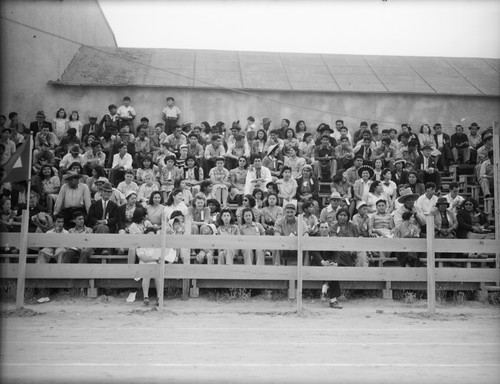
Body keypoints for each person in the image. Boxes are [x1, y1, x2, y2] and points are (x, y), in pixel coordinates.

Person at [308, 221, 342, 309]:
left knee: (332, 269)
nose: (324, 230)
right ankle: (329, 294)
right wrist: (322, 262)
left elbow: (336, 253)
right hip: (317, 264)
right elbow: (314, 253)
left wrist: (335, 262)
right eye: (322, 227)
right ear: (319, 229)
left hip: (329, 263)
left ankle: (331, 298)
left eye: (326, 227)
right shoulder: (315, 239)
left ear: (329, 229)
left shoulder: (332, 239)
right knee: (329, 270)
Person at [86, 182, 119, 257]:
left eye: (109, 192)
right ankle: (104, 248)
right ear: (101, 192)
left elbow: (115, 218)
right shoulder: (94, 204)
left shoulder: (114, 205)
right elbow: (90, 217)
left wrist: (105, 221)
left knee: (103, 227)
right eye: (105, 191)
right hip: (96, 226)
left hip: (109, 227)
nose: (107, 193)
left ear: (111, 193)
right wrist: (98, 222)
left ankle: (99, 249)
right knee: (101, 227)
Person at [135, 227, 162, 306]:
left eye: (153, 235)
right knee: (148, 271)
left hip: (155, 266)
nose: (151, 237)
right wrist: (155, 260)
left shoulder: (157, 245)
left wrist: (158, 260)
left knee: (157, 271)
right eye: (149, 235)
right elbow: (144, 259)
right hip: (144, 265)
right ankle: (145, 297)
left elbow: (160, 258)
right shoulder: (140, 245)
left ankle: (159, 297)